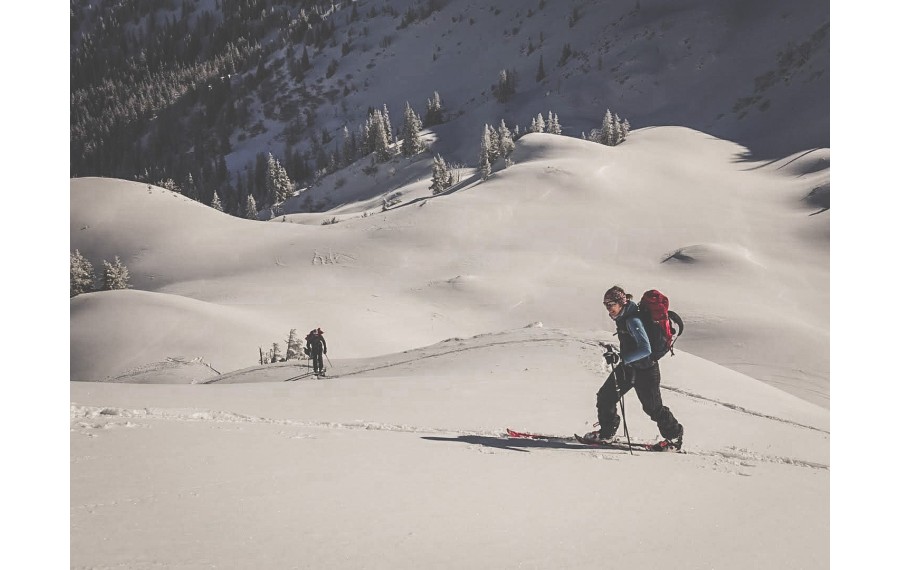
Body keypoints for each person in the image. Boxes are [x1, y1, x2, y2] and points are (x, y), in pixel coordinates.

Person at [582, 286, 684, 450]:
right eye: (605, 304)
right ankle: (606, 433)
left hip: (646, 371)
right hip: (629, 368)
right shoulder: (624, 317)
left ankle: (674, 437)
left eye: (610, 304)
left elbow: (646, 349)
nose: (608, 308)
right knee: (605, 397)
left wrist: (621, 357)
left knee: (653, 408)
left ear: (621, 303)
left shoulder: (632, 320)